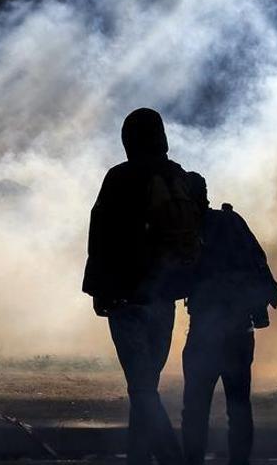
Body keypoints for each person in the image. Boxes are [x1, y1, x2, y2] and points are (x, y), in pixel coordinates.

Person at [83, 108, 196, 465]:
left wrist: (98, 289)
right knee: (146, 385)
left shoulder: (120, 176)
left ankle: (171, 459)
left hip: (126, 297)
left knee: (142, 387)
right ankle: (138, 457)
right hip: (163, 298)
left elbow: (100, 234)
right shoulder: (178, 175)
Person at [182, 172, 277, 465]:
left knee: (196, 408)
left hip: (205, 334)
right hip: (239, 331)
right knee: (238, 407)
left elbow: (174, 278)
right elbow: (258, 261)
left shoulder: (190, 233)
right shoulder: (230, 221)